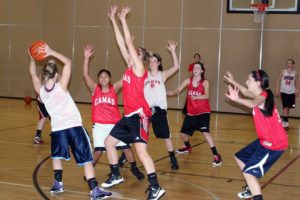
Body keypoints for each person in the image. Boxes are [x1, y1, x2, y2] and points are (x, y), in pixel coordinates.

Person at [28, 44, 112, 199]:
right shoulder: (61, 87)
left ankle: (58, 184)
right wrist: (51, 51)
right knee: (87, 158)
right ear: (56, 75)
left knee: (56, 156)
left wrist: (32, 59)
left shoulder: (40, 91)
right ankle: (94, 190)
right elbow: (68, 62)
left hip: (57, 130)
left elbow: (33, 75)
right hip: (73, 128)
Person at [104, 5, 165, 200]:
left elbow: (128, 42)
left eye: (135, 51)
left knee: (141, 151)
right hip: (128, 116)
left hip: (139, 115)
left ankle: (155, 187)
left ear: (140, 57)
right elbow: (122, 44)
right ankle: (115, 174)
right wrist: (114, 20)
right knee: (109, 142)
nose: (130, 53)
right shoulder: (129, 67)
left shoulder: (139, 68)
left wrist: (124, 20)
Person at [82, 44, 144, 180]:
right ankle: (90, 172)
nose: (103, 78)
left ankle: (134, 168)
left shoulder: (114, 88)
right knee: (98, 151)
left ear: (109, 79)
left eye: (106, 77)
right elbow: (85, 75)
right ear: (98, 79)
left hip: (115, 124)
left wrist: (133, 58)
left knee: (126, 148)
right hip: (99, 125)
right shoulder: (95, 89)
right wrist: (86, 58)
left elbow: (129, 75)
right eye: (101, 77)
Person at [224, 70, 288, 200]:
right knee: (240, 157)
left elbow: (253, 103)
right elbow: (247, 92)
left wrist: (237, 99)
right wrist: (232, 81)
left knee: (249, 172)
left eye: (249, 80)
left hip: (274, 144)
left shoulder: (262, 97)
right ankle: (250, 188)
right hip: (264, 140)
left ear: (258, 83)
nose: (246, 82)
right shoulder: (261, 93)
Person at [167, 62, 222, 167]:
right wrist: (171, 92)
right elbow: (178, 90)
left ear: (201, 71)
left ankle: (216, 155)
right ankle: (187, 146)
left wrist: (196, 97)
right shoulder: (188, 81)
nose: (195, 70)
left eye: (198, 68)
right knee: (183, 134)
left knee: (205, 133)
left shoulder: (205, 82)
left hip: (203, 112)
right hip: (191, 113)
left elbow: (206, 96)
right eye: (194, 68)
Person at [144, 40, 179, 170]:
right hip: (146, 110)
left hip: (159, 111)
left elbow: (176, 67)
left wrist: (173, 51)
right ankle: (126, 156)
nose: (152, 63)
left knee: (166, 136)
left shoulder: (162, 75)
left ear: (159, 63)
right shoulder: (144, 75)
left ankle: (172, 158)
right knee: (140, 134)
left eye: (155, 61)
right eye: (150, 61)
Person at [276, 59, 298, 129]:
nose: (289, 64)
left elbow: (296, 83)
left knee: (288, 107)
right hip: (283, 91)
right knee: (285, 106)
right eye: (288, 63)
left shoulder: (295, 73)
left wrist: (297, 90)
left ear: (293, 65)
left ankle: (285, 121)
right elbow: (277, 82)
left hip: (291, 92)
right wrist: (277, 90)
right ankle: (285, 123)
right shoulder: (283, 72)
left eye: (290, 63)